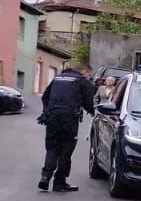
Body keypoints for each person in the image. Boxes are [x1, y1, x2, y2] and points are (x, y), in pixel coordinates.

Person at [37, 61, 96, 192]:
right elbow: (88, 101)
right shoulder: (81, 81)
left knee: (51, 147)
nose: (89, 77)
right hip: (69, 119)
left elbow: (45, 97)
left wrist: (47, 112)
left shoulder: (57, 78)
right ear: (84, 72)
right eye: (89, 75)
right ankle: (59, 182)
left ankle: (45, 178)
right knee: (66, 150)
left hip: (52, 118)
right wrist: (94, 112)